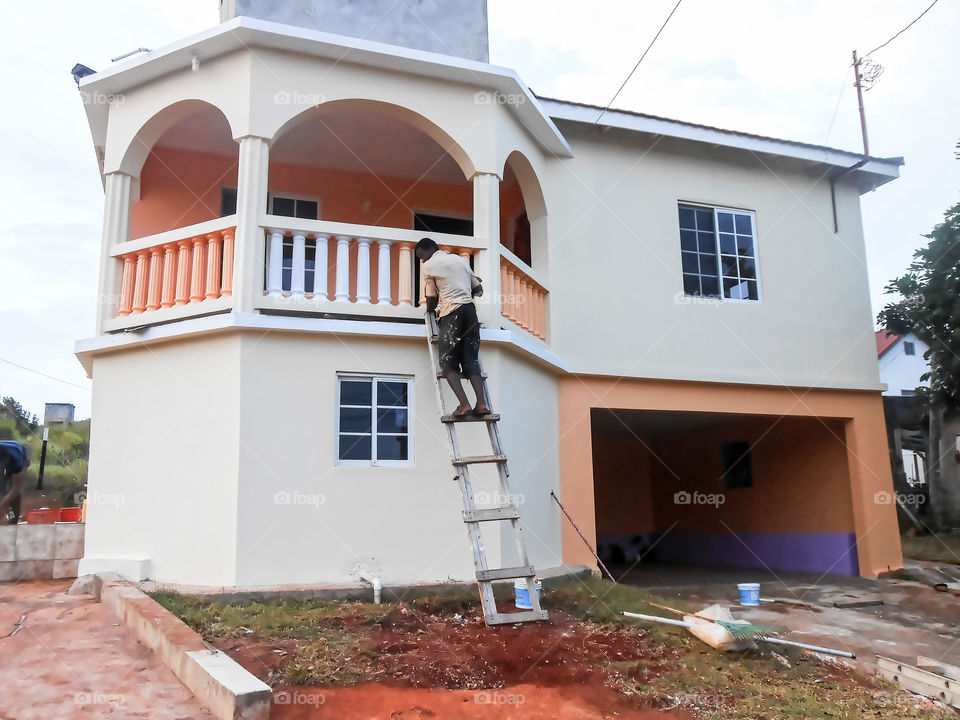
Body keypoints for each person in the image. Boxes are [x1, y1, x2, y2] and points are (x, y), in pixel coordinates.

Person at [416, 238, 490, 418]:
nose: (423, 261)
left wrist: (430, 310)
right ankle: (481, 404)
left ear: (427, 252)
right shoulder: (461, 261)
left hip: (452, 314)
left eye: (421, 257)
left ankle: (464, 405)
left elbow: (432, 300)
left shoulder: (429, 266)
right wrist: (463, 286)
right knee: (471, 360)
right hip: (470, 312)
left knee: (448, 363)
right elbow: (479, 290)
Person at [0, 440, 28, 525]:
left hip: (20, 457)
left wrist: (3, 504)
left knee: (14, 493)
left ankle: (13, 520)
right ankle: (4, 516)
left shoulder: (15, 457)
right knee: (2, 489)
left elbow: (17, 487)